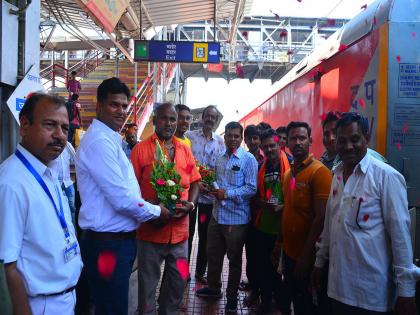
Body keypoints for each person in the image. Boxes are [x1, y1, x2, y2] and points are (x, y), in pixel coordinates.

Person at [75, 77, 170, 315]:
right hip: (108, 245)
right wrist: (158, 211)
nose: (121, 111)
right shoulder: (99, 142)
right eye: (114, 105)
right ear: (98, 106)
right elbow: (121, 199)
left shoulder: (110, 138)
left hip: (116, 242)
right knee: (113, 309)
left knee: (112, 306)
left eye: (124, 106)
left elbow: (124, 193)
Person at [312, 112, 418, 315]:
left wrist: (407, 292)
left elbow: (400, 237)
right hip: (337, 288)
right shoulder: (337, 176)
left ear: (366, 139)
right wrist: (319, 261)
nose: (348, 146)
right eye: (342, 141)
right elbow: (329, 224)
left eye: (355, 139)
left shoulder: (386, 177)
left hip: (370, 295)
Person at [0, 93, 82, 314]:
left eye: (65, 128)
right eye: (50, 125)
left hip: (64, 298)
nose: (59, 136)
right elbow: (7, 264)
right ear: (24, 125)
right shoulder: (11, 183)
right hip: (39, 305)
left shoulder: (49, 171)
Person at [130, 102, 200, 315]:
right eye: (164, 118)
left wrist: (192, 203)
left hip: (180, 235)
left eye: (173, 119)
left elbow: (196, 180)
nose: (169, 123)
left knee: (179, 281)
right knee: (148, 288)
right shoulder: (140, 150)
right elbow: (130, 190)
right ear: (154, 121)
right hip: (151, 233)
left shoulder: (184, 149)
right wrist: (152, 209)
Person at [196, 121, 258, 314]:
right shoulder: (220, 159)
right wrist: (209, 187)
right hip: (217, 215)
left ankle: (231, 298)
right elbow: (218, 182)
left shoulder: (248, 160)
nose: (232, 139)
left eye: (236, 136)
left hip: (237, 219)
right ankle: (214, 288)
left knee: (234, 261)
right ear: (224, 137)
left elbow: (251, 188)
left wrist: (227, 193)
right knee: (212, 254)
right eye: (229, 135)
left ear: (241, 138)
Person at [272, 121, 332, 315]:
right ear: (286, 143)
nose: (297, 142)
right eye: (293, 138)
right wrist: (279, 243)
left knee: (308, 306)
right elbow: (288, 209)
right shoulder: (289, 174)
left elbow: (321, 219)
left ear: (310, 141)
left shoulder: (319, 172)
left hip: (308, 258)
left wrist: (306, 258)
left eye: (302, 138)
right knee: (295, 302)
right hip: (289, 255)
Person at [251, 128, 290, 314]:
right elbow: (254, 198)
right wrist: (265, 205)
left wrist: (283, 206)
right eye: (265, 147)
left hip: (284, 230)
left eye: (272, 146)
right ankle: (266, 303)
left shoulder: (290, 164)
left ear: (279, 145)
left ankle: (283, 306)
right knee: (264, 268)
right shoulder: (261, 168)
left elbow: (295, 196)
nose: (269, 150)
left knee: (281, 273)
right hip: (263, 228)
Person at [186, 105, 225, 284]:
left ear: (216, 121)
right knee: (186, 233)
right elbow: (184, 164)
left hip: (209, 199)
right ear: (202, 117)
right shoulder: (190, 137)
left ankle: (200, 272)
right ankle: (183, 272)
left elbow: (220, 169)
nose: (210, 119)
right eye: (207, 116)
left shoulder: (220, 142)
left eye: (213, 117)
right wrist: (195, 182)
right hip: (191, 196)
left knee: (205, 237)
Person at [242, 124, 263, 305]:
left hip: (264, 215)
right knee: (251, 255)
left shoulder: (267, 158)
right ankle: (254, 289)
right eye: (250, 138)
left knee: (262, 256)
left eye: (256, 138)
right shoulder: (243, 159)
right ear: (246, 140)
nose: (253, 141)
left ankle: (261, 291)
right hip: (249, 214)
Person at [50, 141, 77, 224]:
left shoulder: (67, 145)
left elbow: (75, 158)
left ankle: (71, 226)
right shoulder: (50, 145)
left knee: (72, 206)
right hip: (55, 182)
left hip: (67, 182)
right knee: (57, 207)